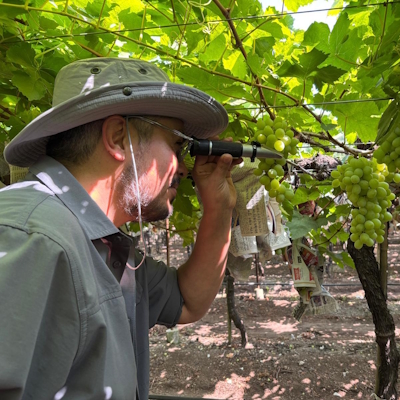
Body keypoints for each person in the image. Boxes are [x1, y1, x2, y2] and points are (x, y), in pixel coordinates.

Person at [0, 58, 239, 400]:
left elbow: (187, 301)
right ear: (118, 139)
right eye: (176, 146)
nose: (184, 168)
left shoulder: (98, 242)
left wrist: (218, 208)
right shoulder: (33, 239)